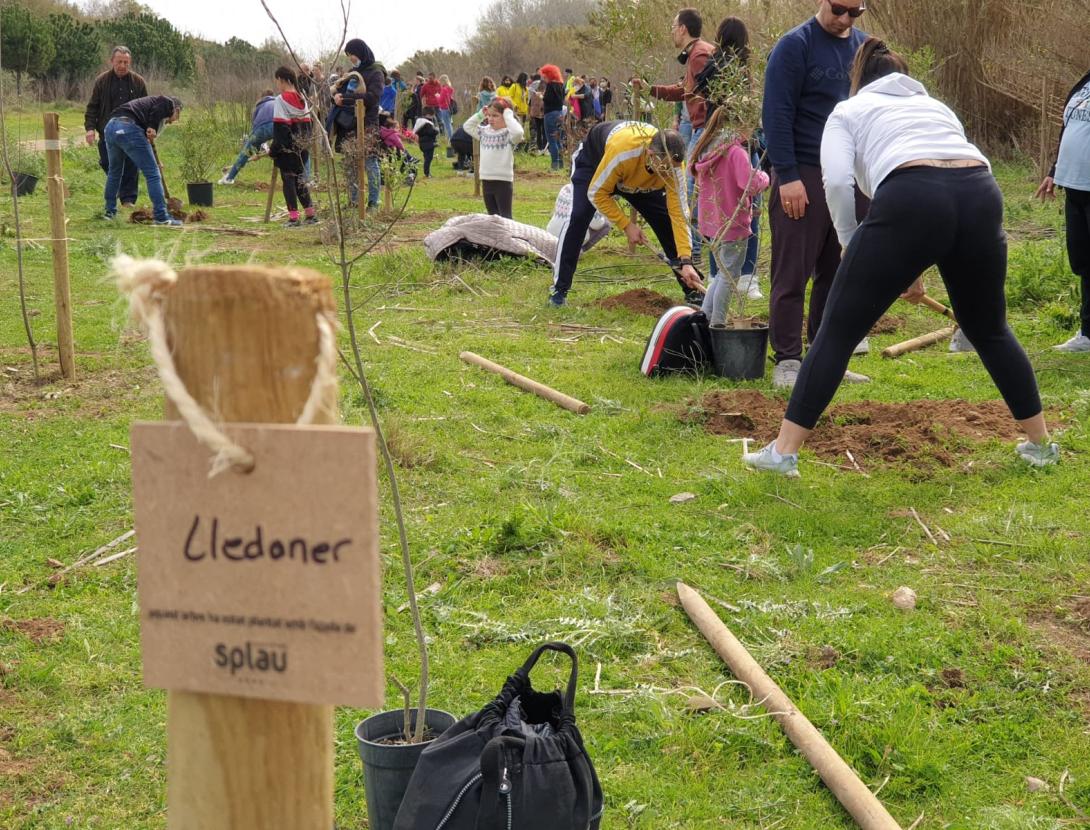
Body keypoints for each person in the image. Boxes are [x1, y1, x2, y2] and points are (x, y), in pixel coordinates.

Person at [743, 39, 1059, 476]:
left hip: (912, 196)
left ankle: (783, 453)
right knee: (989, 328)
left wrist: (852, 241)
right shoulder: (936, 107)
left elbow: (836, 183)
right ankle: (1040, 443)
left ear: (858, 80)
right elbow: (943, 184)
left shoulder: (848, 110)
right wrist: (905, 262)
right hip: (981, 193)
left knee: (836, 331)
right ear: (906, 76)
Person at [762, 0, 869, 389]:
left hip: (850, 176)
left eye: (854, 13)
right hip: (803, 171)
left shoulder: (864, 48)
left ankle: (828, 359)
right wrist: (787, 175)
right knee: (792, 271)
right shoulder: (795, 45)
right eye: (838, 9)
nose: (844, 19)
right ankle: (788, 359)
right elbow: (776, 113)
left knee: (839, 272)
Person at [550, 121, 702, 307]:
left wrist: (686, 260)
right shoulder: (623, 152)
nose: (669, 174)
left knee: (666, 223)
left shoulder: (673, 166)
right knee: (580, 216)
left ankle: (692, 289)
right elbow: (596, 193)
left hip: (638, 178)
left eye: (672, 169)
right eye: (665, 168)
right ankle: (559, 290)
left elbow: (679, 214)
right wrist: (626, 225)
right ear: (651, 154)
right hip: (596, 161)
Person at [695, 16, 765, 301]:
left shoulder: (710, 66)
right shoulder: (739, 68)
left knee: (715, 207)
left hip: (714, 140)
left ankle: (717, 274)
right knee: (749, 207)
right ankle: (746, 277)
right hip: (738, 141)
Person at [692, 105, 770, 326]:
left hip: (712, 223)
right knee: (729, 276)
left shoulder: (709, 149)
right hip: (733, 224)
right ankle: (717, 324)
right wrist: (764, 177)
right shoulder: (735, 152)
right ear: (740, 124)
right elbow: (749, 183)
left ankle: (705, 318)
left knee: (721, 274)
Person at [1036, 66, 1090, 352]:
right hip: (1075, 186)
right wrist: (1055, 170)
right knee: (1084, 262)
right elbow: (1069, 128)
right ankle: (1088, 334)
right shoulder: (1084, 83)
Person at [102, 95, 182, 226]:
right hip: (128, 128)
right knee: (153, 174)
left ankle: (109, 212)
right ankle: (161, 217)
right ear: (177, 110)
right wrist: (152, 126)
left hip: (111, 127)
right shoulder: (168, 103)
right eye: (175, 118)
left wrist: (156, 161)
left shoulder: (144, 111)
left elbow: (144, 142)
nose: (171, 122)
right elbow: (161, 103)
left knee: (114, 173)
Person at [85, 46, 148, 208]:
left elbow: (145, 108)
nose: (122, 65)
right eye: (119, 61)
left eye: (126, 62)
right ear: (112, 61)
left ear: (130, 63)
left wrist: (147, 129)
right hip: (108, 132)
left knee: (131, 166)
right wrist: (90, 128)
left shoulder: (138, 82)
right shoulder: (102, 81)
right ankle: (119, 190)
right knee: (107, 162)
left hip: (132, 132)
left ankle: (128, 200)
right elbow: (93, 107)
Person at [331, 39, 384, 209]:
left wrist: (346, 99)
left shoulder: (376, 73)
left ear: (360, 52)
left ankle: (373, 202)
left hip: (367, 123)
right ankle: (353, 201)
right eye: (348, 56)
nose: (351, 59)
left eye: (352, 54)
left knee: (370, 162)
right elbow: (340, 92)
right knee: (351, 164)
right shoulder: (352, 73)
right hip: (349, 125)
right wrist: (337, 97)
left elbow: (372, 98)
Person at [269, 66, 316, 227]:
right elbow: (309, 127)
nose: (278, 85)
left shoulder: (281, 100)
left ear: (284, 80)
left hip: (287, 150)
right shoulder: (302, 98)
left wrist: (274, 150)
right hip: (303, 148)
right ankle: (310, 214)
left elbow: (281, 130)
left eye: (278, 81)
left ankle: (294, 218)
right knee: (300, 181)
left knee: (289, 181)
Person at [463, 97, 525, 218]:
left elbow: (518, 133)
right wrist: (481, 114)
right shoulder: (484, 132)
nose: (490, 119)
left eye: (495, 116)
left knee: (505, 218)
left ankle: (509, 237)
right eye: (489, 115)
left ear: (506, 116)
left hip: (503, 182)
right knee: (493, 218)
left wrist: (508, 115)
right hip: (486, 180)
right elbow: (467, 126)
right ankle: (496, 237)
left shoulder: (509, 134)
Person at [219, 89, 276, 185]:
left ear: (262, 97)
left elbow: (255, 127)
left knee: (244, 154)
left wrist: (254, 150)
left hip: (260, 130)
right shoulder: (278, 102)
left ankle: (229, 178)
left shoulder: (259, 106)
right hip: (278, 127)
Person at [540, 64, 566, 171]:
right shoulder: (561, 85)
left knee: (551, 140)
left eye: (545, 76)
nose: (544, 78)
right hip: (559, 113)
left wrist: (541, 96)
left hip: (550, 114)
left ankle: (554, 165)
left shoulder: (550, 85)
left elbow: (548, 100)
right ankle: (561, 163)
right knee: (558, 139)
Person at [413, 108, 440, 178]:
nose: (433, 117)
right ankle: (427, 173)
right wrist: (436, 131)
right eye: (432, 116)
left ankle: (427, 173)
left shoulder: (419, 122)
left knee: (426, 158)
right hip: (428, 144)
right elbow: (430, 132)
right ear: (428, 115)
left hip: (422, 143)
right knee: (428, 158)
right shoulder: (427, 123)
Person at [528, 73, 546, 152]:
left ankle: (540, 147)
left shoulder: (534, 94)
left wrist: (530, 113)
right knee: (542, 131)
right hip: (542, 114)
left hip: (537, 114)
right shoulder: (542, 94)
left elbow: (530, 104)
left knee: (540, 130)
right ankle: (542, 147)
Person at [437, 74, 456, 140]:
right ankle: (450, 138)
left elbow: (440, 100)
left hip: (444, 108)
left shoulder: (444, 89)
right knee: (449, 124)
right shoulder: (450, 88)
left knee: (447, 125)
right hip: (449, 108)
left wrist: (437, 96)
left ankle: (451, 139)